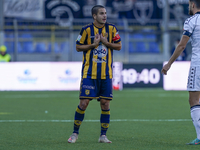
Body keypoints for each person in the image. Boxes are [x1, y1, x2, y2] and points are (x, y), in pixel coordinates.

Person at [68, 5, 121, 143]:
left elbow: (119, 46)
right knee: (84, 103)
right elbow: (78, 47)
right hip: (89, 74)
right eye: (101, 13)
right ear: (94, 16)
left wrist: (105, 42)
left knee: (105, 104)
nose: (105, 15)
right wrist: (93, 45)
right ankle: (75, 133)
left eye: (105, 13)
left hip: (106, 74)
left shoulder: (112, 29)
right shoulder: (86, 30)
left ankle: (103, 136)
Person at [161, 0, 200, 145]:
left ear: (193, 4)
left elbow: (182, 45)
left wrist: (169, 64)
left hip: (198, 64)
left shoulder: (191, 21)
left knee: (194, 100)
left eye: (190, 4)